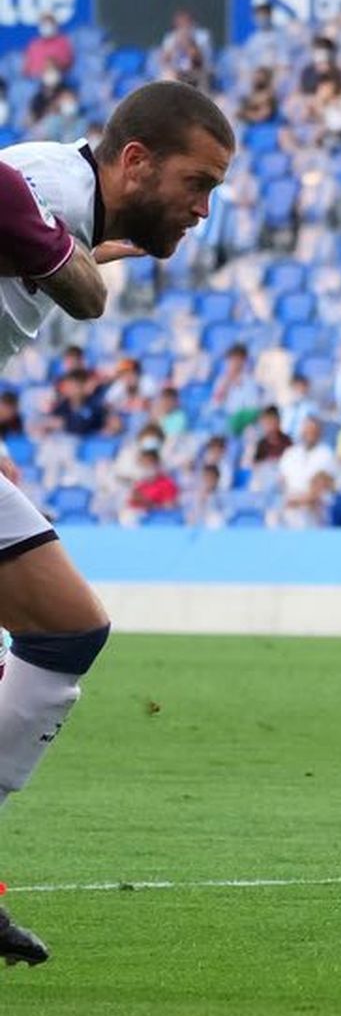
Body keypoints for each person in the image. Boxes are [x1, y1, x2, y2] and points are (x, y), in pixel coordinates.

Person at [0, 80, 234, 968]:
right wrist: (76, 271)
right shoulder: (49, 190)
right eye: (197, 183)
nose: (203, 209)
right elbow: (76, 288)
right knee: (61, 630)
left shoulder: (63, 197)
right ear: (133, 160)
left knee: (57, 633)